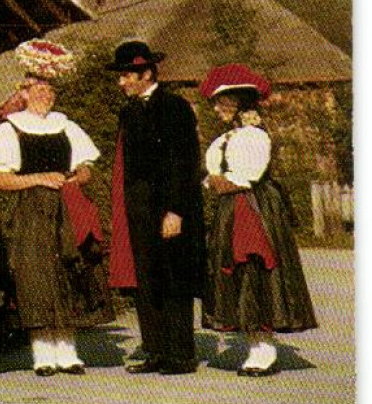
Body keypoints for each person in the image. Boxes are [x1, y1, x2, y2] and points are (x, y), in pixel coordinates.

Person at [0, 39, 112, 375]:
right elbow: (0, 179)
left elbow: (86, 167)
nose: (45, 94)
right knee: (36, 274)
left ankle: (68, 350)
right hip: (30, 210)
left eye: (49, 89)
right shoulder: (9, 130)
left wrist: (76, 178)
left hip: (65, 208)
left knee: (69, 271)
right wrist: (38, 178)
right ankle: (42, 352)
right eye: (38, 88)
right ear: (24, 93)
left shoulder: (66, 125)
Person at [199, 63, 317, 375]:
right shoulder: (227, 138)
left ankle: (264, 350)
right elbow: (212, 177)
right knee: (238, 274)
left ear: (237, 103)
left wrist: (219, 181)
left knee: (256, 271)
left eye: (221, 102)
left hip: (253, 209)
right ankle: (254, 345)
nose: (216, 108)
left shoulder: (253, 137)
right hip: (233, 208)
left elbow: (243, 178)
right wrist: (217, 181)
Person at [107, 39, 206, 375]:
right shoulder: (128, 111)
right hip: (140, 209)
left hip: (169, 207)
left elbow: (185, 162)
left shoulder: (175, 107)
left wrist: (176, 210)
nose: (121, 83)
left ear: (146, 73)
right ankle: (155, 350)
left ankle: (180, 354)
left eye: (126, 76)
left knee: (174, 277)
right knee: (146, 279)